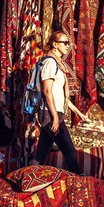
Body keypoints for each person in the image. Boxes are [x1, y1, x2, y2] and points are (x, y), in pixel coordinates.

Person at [32, 31, 89, 174]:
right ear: (55, 44)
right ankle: (79, 181)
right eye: (65, 43)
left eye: (68, 43)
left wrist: (78, 112)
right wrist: (55, 117)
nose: (68, 46)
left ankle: (29, 176)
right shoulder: (50, 63)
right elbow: (46, 91)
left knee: (41, 154)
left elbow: (60, 96)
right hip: (50, 114)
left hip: (52, 112)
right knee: (69, 151)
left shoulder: (57, 64)